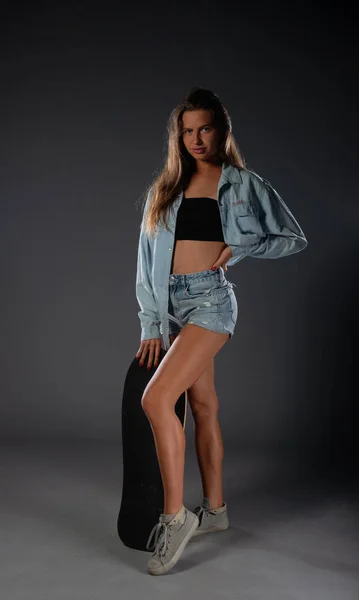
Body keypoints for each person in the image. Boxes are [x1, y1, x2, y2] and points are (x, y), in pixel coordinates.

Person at [134, 87, 308, 575]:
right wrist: (151, 321)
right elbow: (146, 265)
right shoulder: (163, 190)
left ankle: (175, 517)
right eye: (187, 130)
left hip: (211, 300)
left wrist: (245, 247)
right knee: (204, 404)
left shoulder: (242, 184)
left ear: (221, 130)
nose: (195, 138)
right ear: (178, 136)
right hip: (172, 307)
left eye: (204, 128)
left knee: (155, 399)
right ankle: (216, 511)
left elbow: (290, 236)